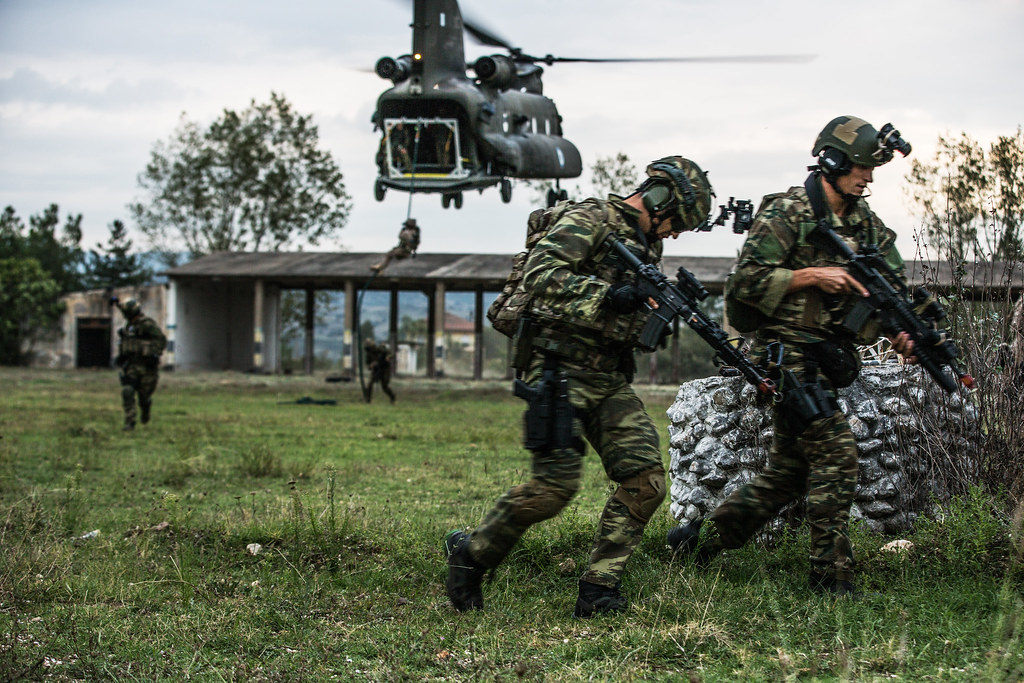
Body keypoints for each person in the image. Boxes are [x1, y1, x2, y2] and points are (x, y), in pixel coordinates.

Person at [444, 156, 715, 617]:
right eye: (677, 223)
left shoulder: (646, 245)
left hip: (607, 377)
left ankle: (597, 590)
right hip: (557, 370)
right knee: (552, 489)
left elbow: (621, 315)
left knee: (646, 481)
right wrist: (607, 295)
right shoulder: (590, 218)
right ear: (661, 199)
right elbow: (541, 273)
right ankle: (471, 555)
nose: (673, 235)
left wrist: (648, 316)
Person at [667, 116, 916, 597]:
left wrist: (907, 331)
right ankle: (830, 576)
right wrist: (811, 276)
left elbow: (892, 288)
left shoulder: (865, 224)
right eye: (861, 167)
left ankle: (699, 542)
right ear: (833, 161)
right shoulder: (787, 213)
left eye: (872, 169)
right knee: (838, 453)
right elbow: (745, 284)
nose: (868, 177)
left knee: (789, 472)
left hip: (827, 358)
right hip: (786, 358)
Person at [113, 297, 167, 431]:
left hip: (147, 367)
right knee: (127, 391)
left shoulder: (146, 325)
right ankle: (129, 422)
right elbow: (123, 308)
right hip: (132, 365)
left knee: (144, 396)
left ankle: (145, 409)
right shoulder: (129, 326)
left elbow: (161, 340)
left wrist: (153, 354)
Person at [363, 339, 396, 403]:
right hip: (376, 369)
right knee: (369, 384)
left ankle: (392, 397)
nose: (370, 350)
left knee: (384, 387)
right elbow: (368, 365)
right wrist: (371, 365)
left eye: (370, 348)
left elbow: (391, 354)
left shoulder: (380, 349)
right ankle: (368, 400)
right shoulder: (368, 354)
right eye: (368, 348)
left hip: (385, 368)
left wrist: (388, 357)